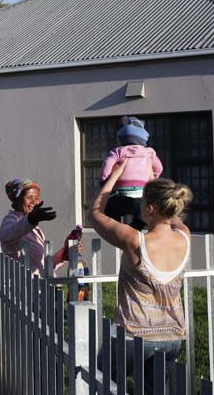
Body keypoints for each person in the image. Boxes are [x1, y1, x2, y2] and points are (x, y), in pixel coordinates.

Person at [88, 159, 192, 394]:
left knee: (101, 383)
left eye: (143, 201)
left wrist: (114, 176)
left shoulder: (135, 240)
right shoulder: (184, 237)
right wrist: (150, 181)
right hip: (171, 337)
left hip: (133, 336)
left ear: (150, 209)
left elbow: (95, 214)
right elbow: (172, 214)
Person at [0, 178, 81, 276]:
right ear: (17, 200)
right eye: (29, 197)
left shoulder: (33, 228)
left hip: (44, 287)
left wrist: (65, 253)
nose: (34, 201)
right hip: (26, 288)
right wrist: (31, 219)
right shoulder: (11, 220)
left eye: (36, 198)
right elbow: (6, 235)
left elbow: (42, 265)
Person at [99, 116, 163, 230]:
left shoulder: (118, 151)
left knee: (110, 212)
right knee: (145, 217)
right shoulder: (149, 152)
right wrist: (152, 178)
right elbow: (159, 168)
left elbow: (107, 166)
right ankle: (134, 228)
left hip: (120, 194)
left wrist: (104, 180)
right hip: (140, 195)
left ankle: (117, 231)